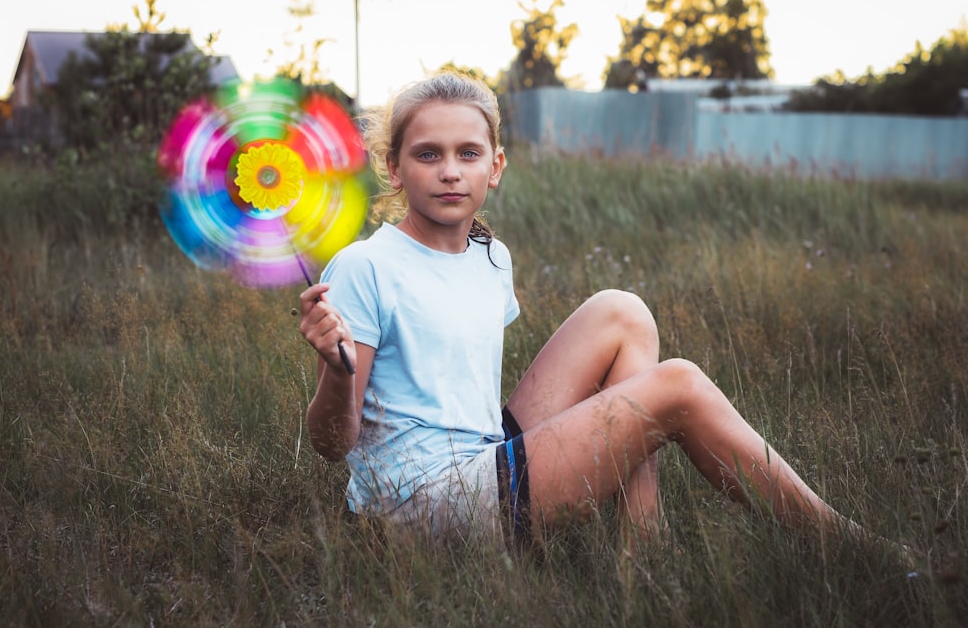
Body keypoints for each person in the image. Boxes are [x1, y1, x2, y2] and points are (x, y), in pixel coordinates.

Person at [298, 71, 885, 550]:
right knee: (675, 385)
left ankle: (640, 550)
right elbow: (333, 445)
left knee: (621, 312)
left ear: (494, 167)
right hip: (415, 506)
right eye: (428, 154)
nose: (450, 170)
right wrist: (338, 372)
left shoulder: (490, 257)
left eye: (468, 153)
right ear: (395, 169)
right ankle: (852, 547)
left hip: (480, 462)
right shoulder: (365, 267)